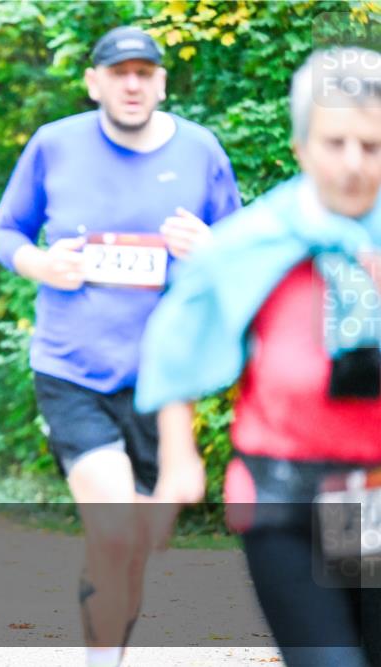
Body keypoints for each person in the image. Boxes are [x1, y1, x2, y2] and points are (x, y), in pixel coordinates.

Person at [0, 25, 241, 667]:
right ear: (94, 81)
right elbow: (6, 230)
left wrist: (212, 249)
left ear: (161, 81)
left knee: (134, 545)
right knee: (113, 529)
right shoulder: (55, 145)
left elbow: (241, 252)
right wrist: (42, 266)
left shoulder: (201, 150)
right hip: (73, 369)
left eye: (144, 72)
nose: (132, 83)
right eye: (118, 72)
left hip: (164, 380)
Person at [137, 47, 381, 667]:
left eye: (372, 146)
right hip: (282, 494)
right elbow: (178, 338)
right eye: (335, 142)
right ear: (301, 147)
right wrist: (178, 460)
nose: (353, 163)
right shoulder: (255, 243)